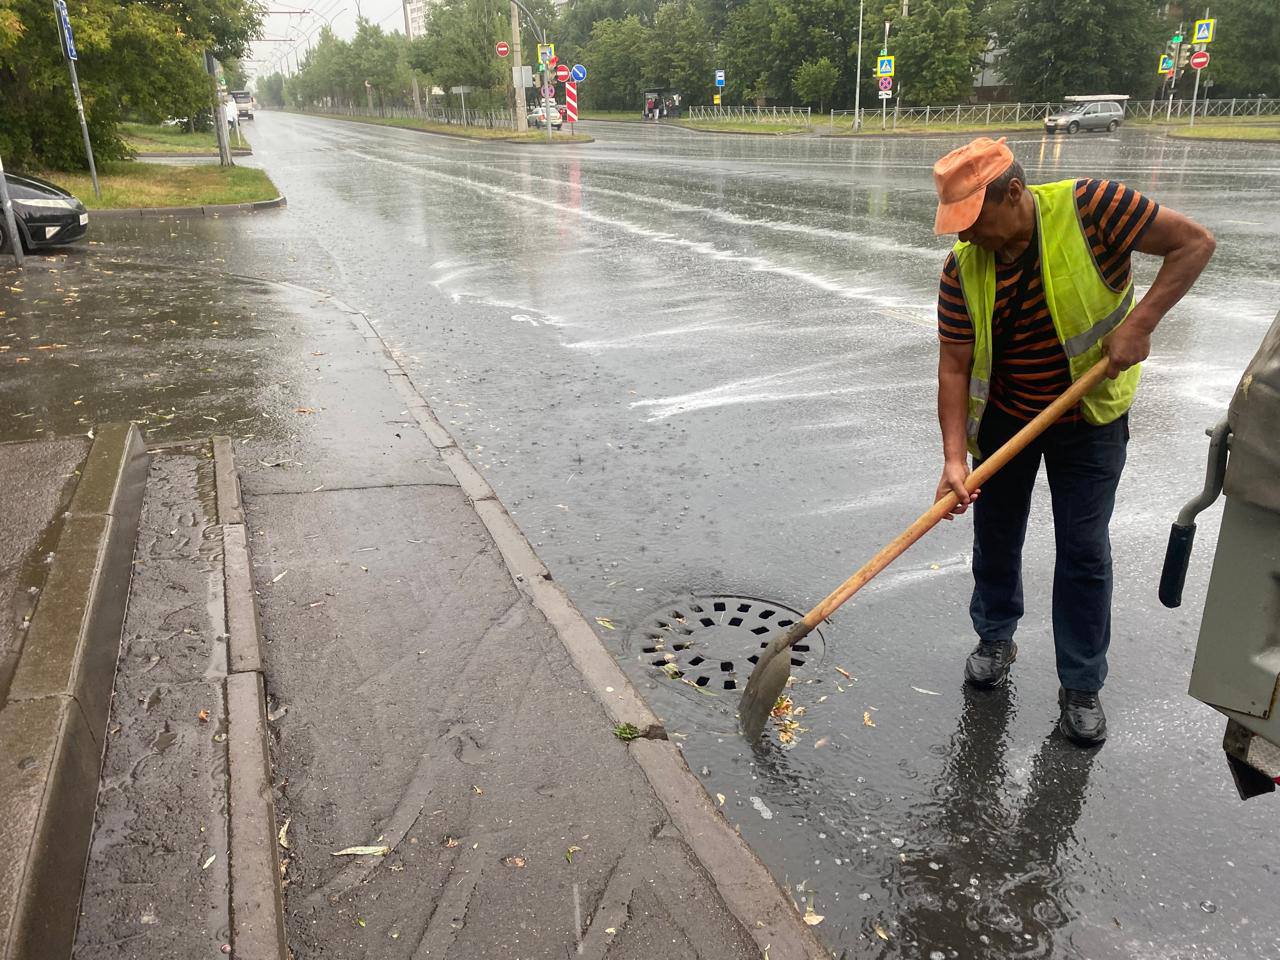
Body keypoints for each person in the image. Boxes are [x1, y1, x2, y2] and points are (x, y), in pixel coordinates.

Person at [931, 137, 1215, 745]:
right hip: (1006, 420)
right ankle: (995, 637)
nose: (966, 236)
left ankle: (1081, 685)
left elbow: (1195, 244)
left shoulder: (1094, 208)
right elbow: (954, 367)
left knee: (1084, 549)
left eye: (973, 220)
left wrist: (1141, 324)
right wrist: (956, 459)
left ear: (1013, 194)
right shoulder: (962, 267)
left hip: (1089, 419)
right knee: (997, 536)